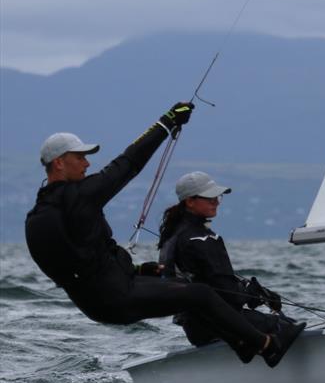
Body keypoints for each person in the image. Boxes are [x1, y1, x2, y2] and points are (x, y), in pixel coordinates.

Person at [24, 103, 297, 367]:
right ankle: (267, 346)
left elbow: (80, 263)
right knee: (200, 294)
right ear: (59, 163)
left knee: (188, 290)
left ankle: (241, 345)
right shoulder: (78, 197)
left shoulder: (36, 217)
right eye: (80, 157)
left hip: (97, 302)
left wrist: (139, 268)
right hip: (118, 295)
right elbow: (128, 163)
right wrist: (165, 123)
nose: (87, 163)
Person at [156, 171, 304, 365]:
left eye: (217, 197)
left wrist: (254, 293)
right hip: (220, 324)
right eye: (209, 197)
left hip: (196, 329)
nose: (216, 202)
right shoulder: (202, 238)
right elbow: (229, 296)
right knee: (289, 327)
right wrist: (254, 294)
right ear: (190, 201)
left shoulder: (171, 235)